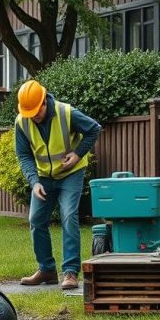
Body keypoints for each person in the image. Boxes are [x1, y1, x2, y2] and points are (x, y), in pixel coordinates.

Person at [15, 80, 101, 290]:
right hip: (44, 178)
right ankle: (46, 270)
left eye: (36, 111)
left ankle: (70, 272)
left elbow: (94, 129)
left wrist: (78, 153)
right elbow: (24, 155)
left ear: (45, 102)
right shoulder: (22, 121)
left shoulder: (66, 113)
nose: (33, 116)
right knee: (35, 219)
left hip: (70, 173)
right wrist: (34, 182)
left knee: (69, 215)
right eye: (29, 113)